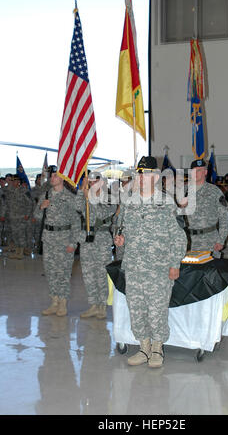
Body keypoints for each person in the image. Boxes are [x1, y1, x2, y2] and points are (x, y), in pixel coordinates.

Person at [114, 156, 187, 369]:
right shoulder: (128, 202)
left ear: (155, 177)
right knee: (136, 309)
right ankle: (143, 346)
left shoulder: (166, 202)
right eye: (139, 174)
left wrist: (175, 263)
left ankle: (157, 348)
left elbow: (178, 236)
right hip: (134, 266)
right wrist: (119, 239)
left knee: (157, 310)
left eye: (146, 174)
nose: (142, 178)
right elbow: (121, 229)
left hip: (159, 268)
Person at [34, 167, 81, 317]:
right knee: (50, 272)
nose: (52, 178)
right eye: (51, 176)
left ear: (62, 178)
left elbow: (76, 222)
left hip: (64, 239)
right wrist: (42, 207)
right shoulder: (45, 195)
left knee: (63, 274)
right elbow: (36, 216)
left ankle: (62, 303)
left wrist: (73, 243)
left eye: (55, 176)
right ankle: (54, 302)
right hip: (48, 239)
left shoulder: (70, 198)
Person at [77, 172, 116, 319]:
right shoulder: (85, 194)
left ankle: (102, 305)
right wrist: (82, 190)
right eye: (90, 181)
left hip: (102, 239)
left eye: (95, 181)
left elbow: (102, 214)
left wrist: (90, 198)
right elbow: (76, 206)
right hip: (87, 239)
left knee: (101, 274)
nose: (92, 184)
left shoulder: (109, 197)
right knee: (88, 274)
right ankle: (93, 304)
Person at [179, 159, 228, 258]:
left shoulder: (215, 191)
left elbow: (224, 218)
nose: (196, 173)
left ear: (205, 172)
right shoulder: (183, 190)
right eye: (194, 170)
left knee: (209, 272)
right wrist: (181, 206)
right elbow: (176, 217)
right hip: (188, 240)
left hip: (209, 240)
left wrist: (221, 240)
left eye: (199, 170)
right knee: (189, 272)